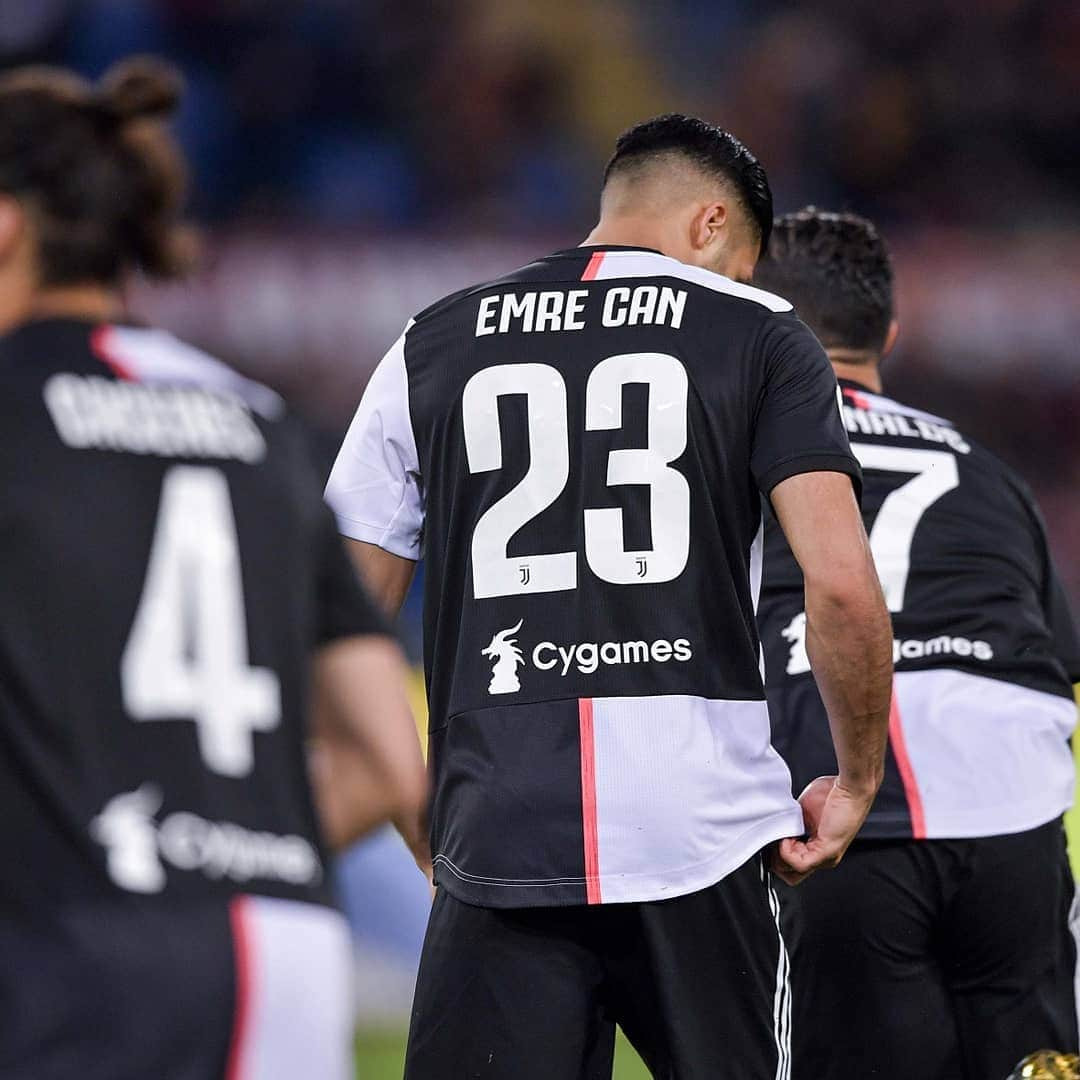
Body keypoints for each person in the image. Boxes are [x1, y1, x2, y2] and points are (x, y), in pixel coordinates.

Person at [326, 114, 893, 1078]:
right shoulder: (759, 333)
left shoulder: (433, 340)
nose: (743, 285)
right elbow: (840, 586)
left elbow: (338, 616)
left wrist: (406, 791)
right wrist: (858, 781)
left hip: (498, 821)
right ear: (712, 223)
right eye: (746, 264)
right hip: (700, 829)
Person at [0, 58, 428, 1079]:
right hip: (280, 960)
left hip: (63, 953)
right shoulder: (258, 424)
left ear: (7, 225)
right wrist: (220, 854)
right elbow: (385, 763)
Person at [754, 208, 1080, 1080]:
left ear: (754, 319)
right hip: (1014, 810)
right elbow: (1057, 652)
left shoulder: (737, 447)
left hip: (839, 809)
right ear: (887, 335)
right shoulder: (988, 469)